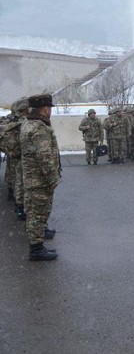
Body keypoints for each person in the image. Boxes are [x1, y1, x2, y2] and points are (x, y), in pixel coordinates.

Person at [20, 94, 60, 261]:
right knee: (38, 213)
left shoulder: (28, 124)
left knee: (35, 212)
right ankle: (36, 249)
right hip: (39, 180)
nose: (50, 111)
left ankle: (39, 239)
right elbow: (44, 157)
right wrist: (52, 179)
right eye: (49, 108)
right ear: (44, 109)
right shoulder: (39, 128)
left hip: (31, 178)